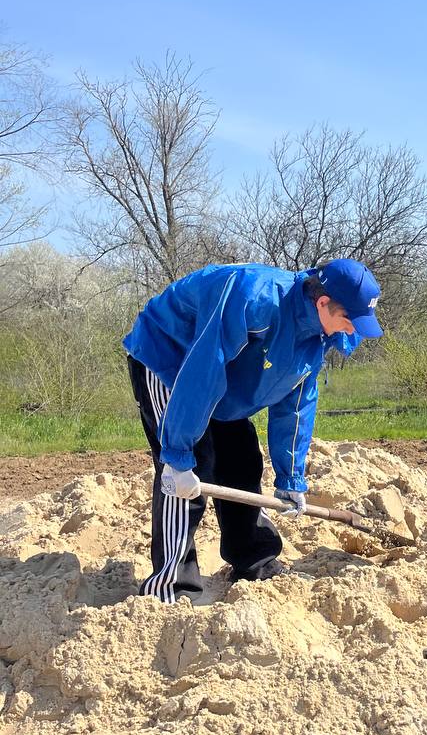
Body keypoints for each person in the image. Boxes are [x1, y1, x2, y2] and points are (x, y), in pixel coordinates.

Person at [123, 258, 382, 603]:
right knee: (189, 469)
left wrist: (290, 479)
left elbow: (297, 404)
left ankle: (254, 560)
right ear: (323, 302)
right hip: (171, 358)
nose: (351, 331)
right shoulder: (254, 300)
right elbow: (203, 372)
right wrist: (178, 454)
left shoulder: (319, 335)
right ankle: (171, 585)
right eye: (349, 321)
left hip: (222, 375)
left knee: (242, 458)